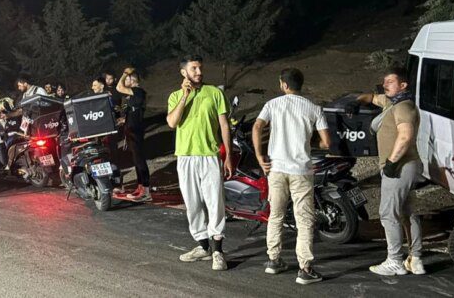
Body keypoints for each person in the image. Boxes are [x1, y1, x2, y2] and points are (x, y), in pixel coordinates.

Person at [252, 68, 332, 285]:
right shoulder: (314, 108)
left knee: (276, 214)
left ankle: (273, 260)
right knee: (304, 219)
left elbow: (257, 126)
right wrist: (309, 141)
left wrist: (260, 156)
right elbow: (326, 143)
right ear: (300, 84)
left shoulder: (273, 105)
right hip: (301, 171)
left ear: (283, 85)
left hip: (276, 169)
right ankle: (305, 269)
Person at [349, 66, 425, 276]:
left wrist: (391, 162)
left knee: (387, 213)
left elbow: (406, 135)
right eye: (385, 82)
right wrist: (358, 101)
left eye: (390, 82)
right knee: (407, 212)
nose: (385, 85)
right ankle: (416, 259)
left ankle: (394, 261)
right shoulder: (392, 103)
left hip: (399, 166)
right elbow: (372, 97)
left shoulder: (403, 107)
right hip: (406, 166)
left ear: (403, 85)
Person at [167, 55, 233, 271]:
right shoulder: (176, 96)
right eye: (194, 68)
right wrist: (185, 96)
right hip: (185, 157)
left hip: (209, 156)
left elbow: (224, 126)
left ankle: (218, 252)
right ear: (183, 72)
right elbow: (172, 122)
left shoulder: (215, 93)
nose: (199, 72)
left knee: (215, 202)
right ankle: (203, 246)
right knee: (192, 204)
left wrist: (228, 156)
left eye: (200, 68)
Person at [116, 67, 150, 202]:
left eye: (128, 78)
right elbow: (135, 112)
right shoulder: (133, 95)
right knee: (136, 160)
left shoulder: (138, 91)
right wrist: (124, 119)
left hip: (136, 130)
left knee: (140, 160)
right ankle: (140, 186)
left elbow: (119, 87)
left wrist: (124, 73)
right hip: (131, 130)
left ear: (133, 79)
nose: (126, 81)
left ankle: (146, 191)